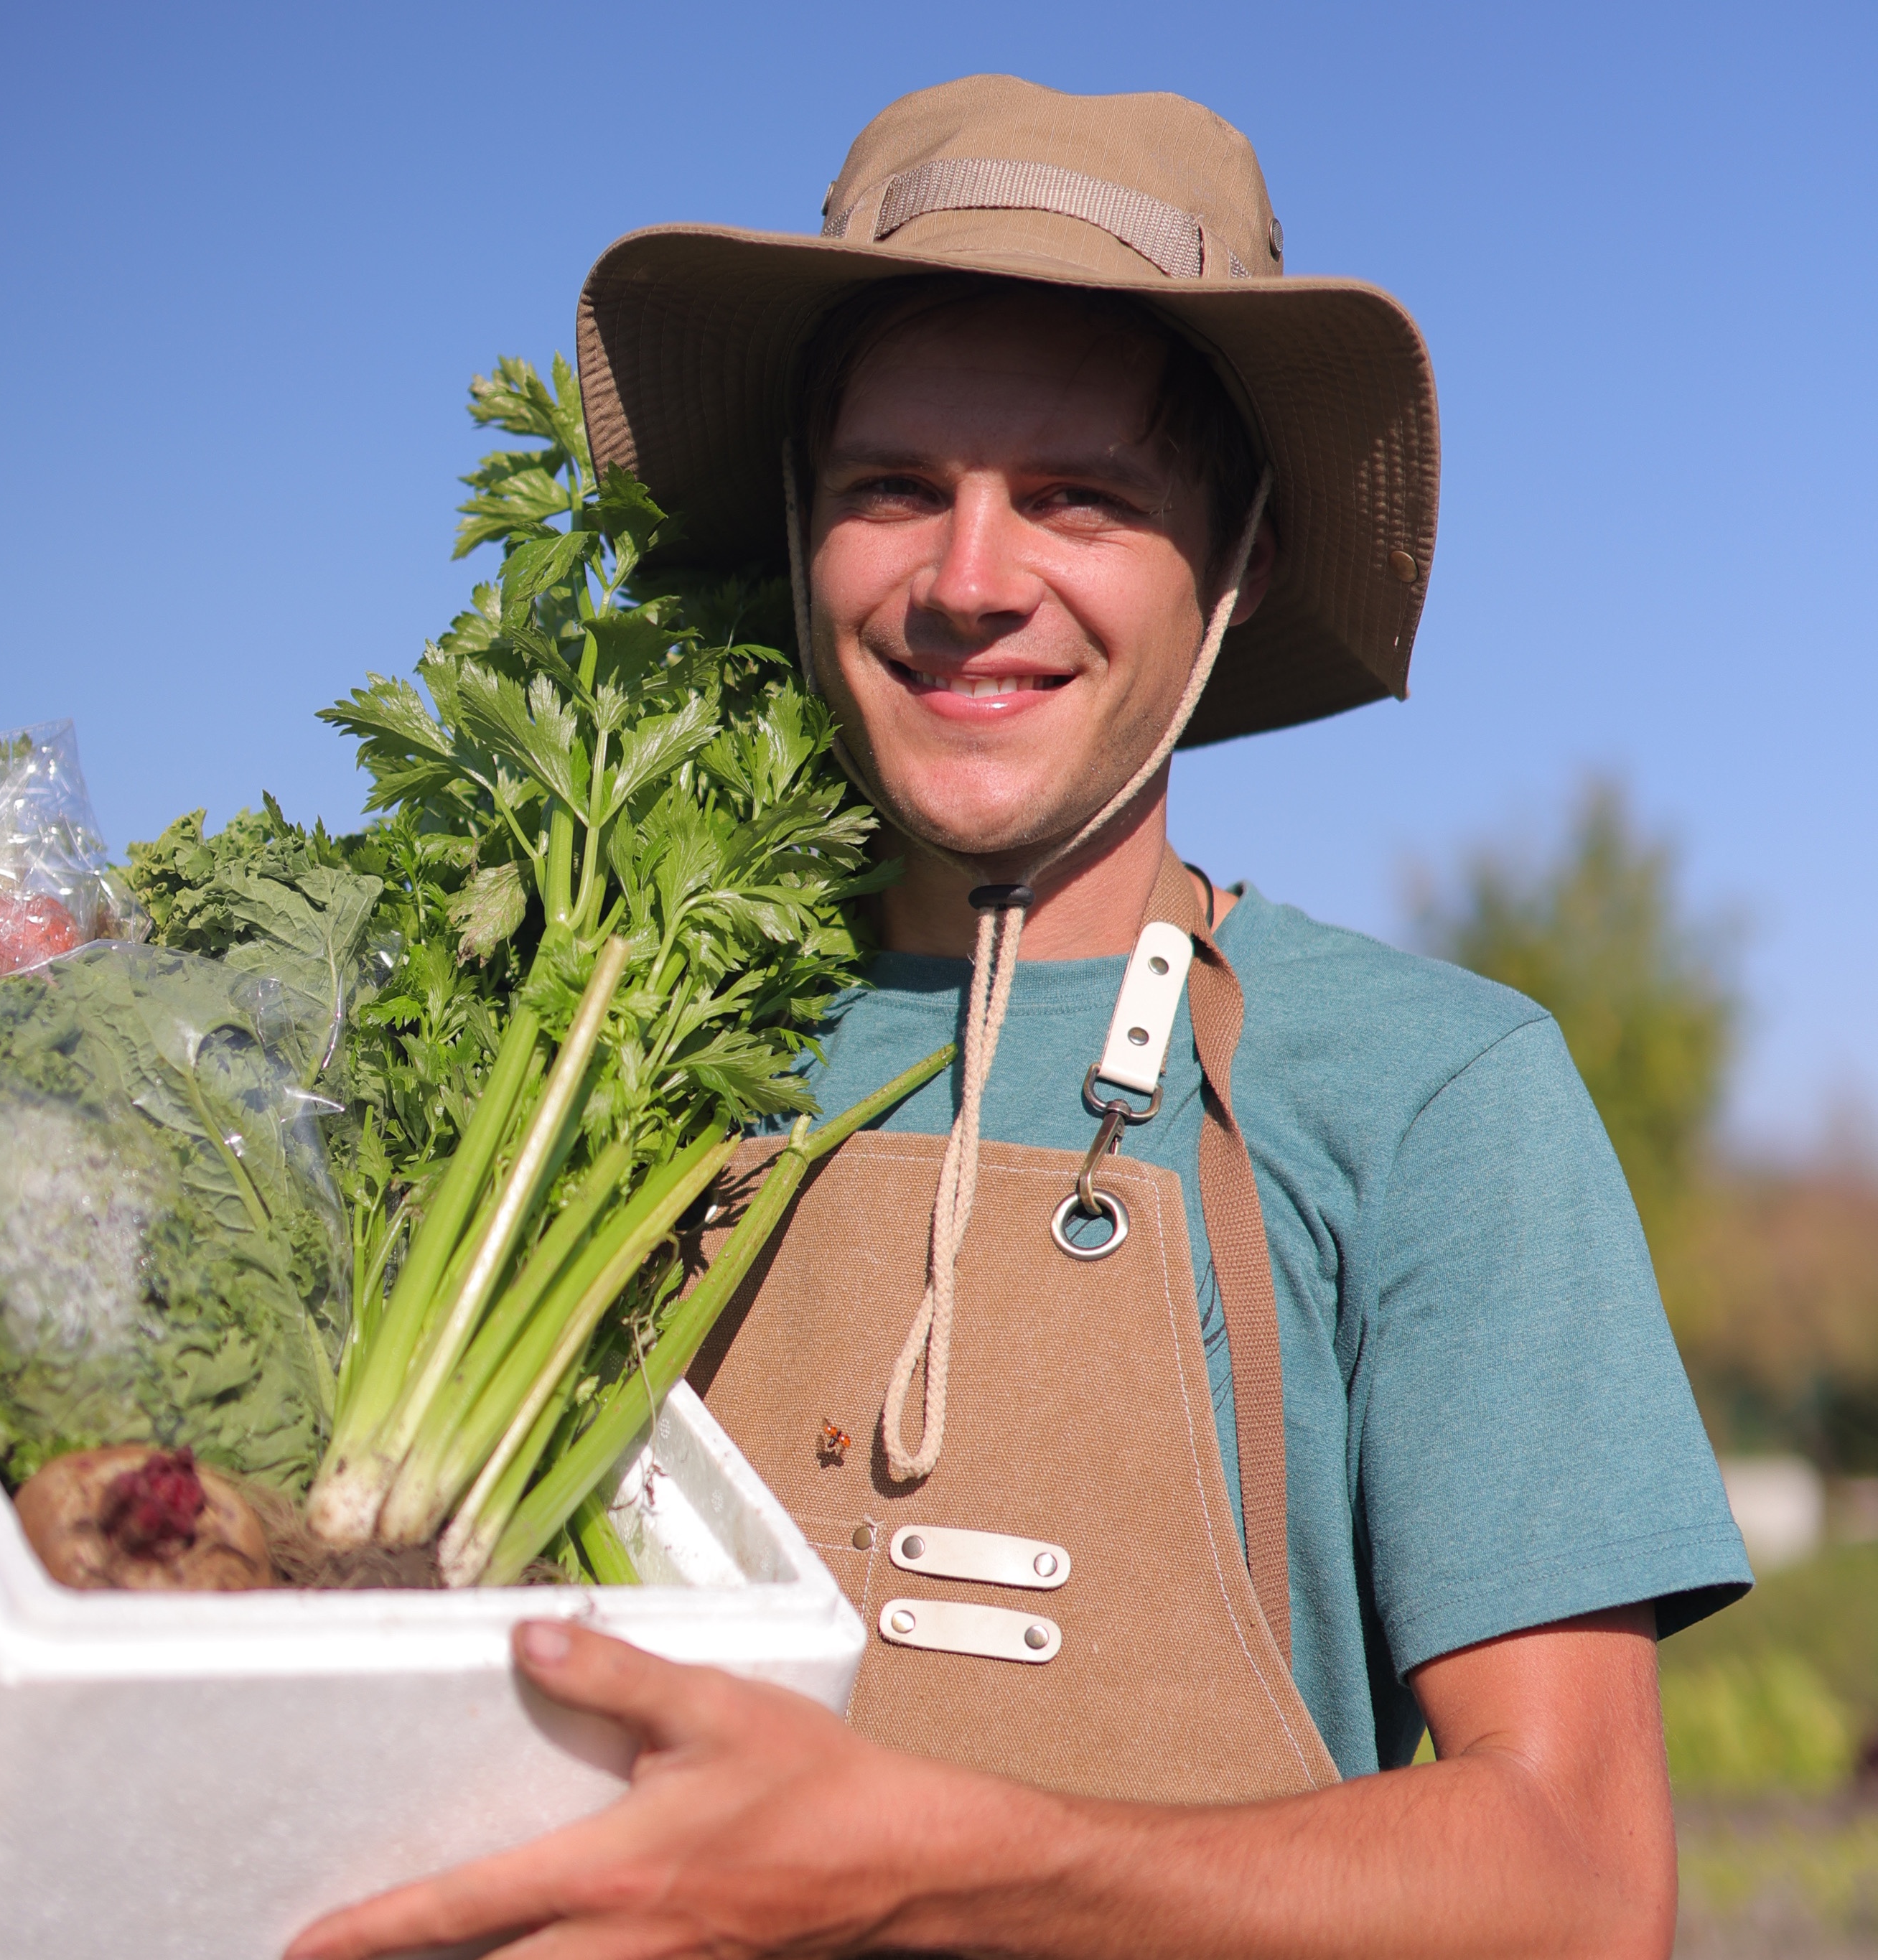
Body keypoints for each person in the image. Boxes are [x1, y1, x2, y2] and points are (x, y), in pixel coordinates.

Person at [289, 75, 1749, 1960]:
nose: (971, 581)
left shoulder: (1430, 1093)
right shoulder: (571, 1027)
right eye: (896, 486)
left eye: (1078, 498)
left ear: (1240, 562)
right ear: (801, 529)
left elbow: (1574, 1887)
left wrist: (932, 1862)